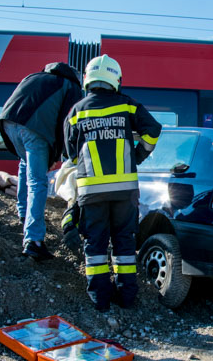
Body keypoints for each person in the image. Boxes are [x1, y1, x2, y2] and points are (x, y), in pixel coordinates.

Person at [64, 55, 162, 312]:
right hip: (124, 191)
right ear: (116, 79)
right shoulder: (128, 105)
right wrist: (138, 155)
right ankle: (127, 297)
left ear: (87, 79)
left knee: (95, 246)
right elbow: (153, 130)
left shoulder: (76, 112)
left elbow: (71, 156)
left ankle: (100, 300)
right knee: (124, 244)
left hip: (91, 192)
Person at [0, 62, 82, 261]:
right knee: (38, 182)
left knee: (24, 163)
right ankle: (34, 241)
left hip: (8, 123)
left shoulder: (34, 76)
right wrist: (56, 156)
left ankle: (23, 213)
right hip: (33, 130)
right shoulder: (70, 86)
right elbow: (65, 124)